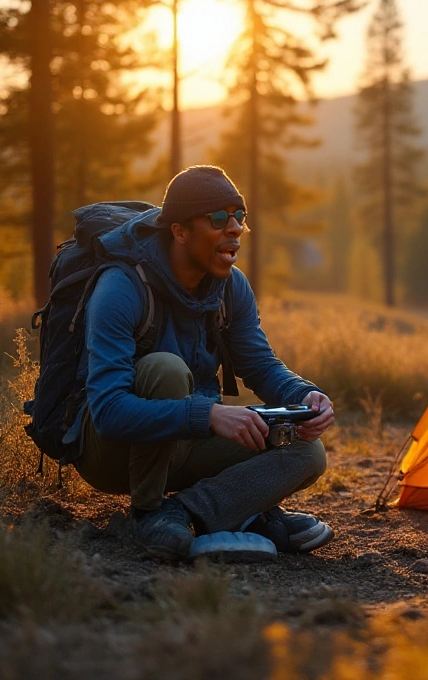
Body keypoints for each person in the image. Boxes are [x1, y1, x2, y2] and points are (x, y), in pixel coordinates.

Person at [72, 165, 336, 561]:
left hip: (185, 440)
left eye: (239, 217)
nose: (233, 228)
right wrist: (209, 416)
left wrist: (304, 395)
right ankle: (146, 514)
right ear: (179, 231)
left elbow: (261, 365)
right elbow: (108, 412)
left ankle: (187, 512)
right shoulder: (122, 287)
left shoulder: (231, 286)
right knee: (166, 369)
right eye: (218, 218)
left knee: (306, 452)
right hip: (112, 453)